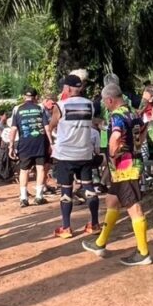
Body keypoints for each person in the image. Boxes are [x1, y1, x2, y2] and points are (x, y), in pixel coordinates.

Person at [82, 81, 152, 266]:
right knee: (111, 200)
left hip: (125, 168)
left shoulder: (117, 116)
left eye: (105, 102)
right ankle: (100, 243)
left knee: (134, 208)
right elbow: (143, 131)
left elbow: (115, 137)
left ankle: (143, 253)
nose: (105, 105)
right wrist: (135, 147)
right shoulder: (133, 112)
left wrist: (113, 157)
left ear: (110, 100)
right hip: (130, 164)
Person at [48, 75, 101, 239]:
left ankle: (66, 227)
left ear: (68, 88)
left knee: (66, 189)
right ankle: (94, 224)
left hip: (65, 155)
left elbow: (51, 125)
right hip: (84, 153)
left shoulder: (60, 106)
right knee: (89, 187)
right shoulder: (90, 105)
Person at [9, 87, 50, 207]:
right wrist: (51, 143)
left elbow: (13, 129)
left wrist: (11, 146)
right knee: (40, 168)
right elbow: (47, 127)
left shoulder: (17, 109)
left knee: (24, 170)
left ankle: (23, 198)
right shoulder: (40, 108)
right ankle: (39, 197)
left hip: (24, 143)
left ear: (24, 97)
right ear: (36, 97)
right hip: (40, 142)